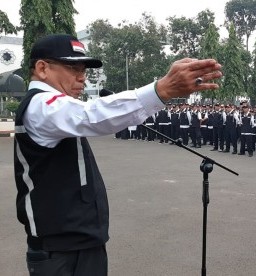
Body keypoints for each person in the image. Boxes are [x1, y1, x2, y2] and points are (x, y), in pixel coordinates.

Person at [14, 34, 222, 276]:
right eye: (73, 67)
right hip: (61, 250)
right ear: (42, 68)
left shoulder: (54, 104)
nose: (82, 76)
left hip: (78, 242)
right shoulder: (41, 104)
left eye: (84, 69)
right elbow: (92, 115)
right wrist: (161, 90)